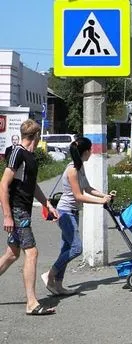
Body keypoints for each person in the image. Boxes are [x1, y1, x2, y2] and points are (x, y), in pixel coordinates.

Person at [0, 119, 59, 316]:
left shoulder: (30, 157)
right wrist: (7, 216)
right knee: (31, 253)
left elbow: (32, 186)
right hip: (18, 211)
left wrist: (47, 204)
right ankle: (32, 303)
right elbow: (3, 185)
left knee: (12, 254)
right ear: (35, 137)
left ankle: (32, 302)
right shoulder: (17, 153)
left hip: (23, 209)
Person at [41, 137, 112, 295]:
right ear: (85, 151)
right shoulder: (72, 169)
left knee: (66, 248)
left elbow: (87, 188)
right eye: (90, 150)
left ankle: (58, 285)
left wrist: (104, 196)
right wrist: (100, 201)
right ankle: (50, 274)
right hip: (65, 212)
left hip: (73, 212)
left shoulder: (80, 167)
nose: (91, 152)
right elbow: (79, 196)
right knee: (76, 248)